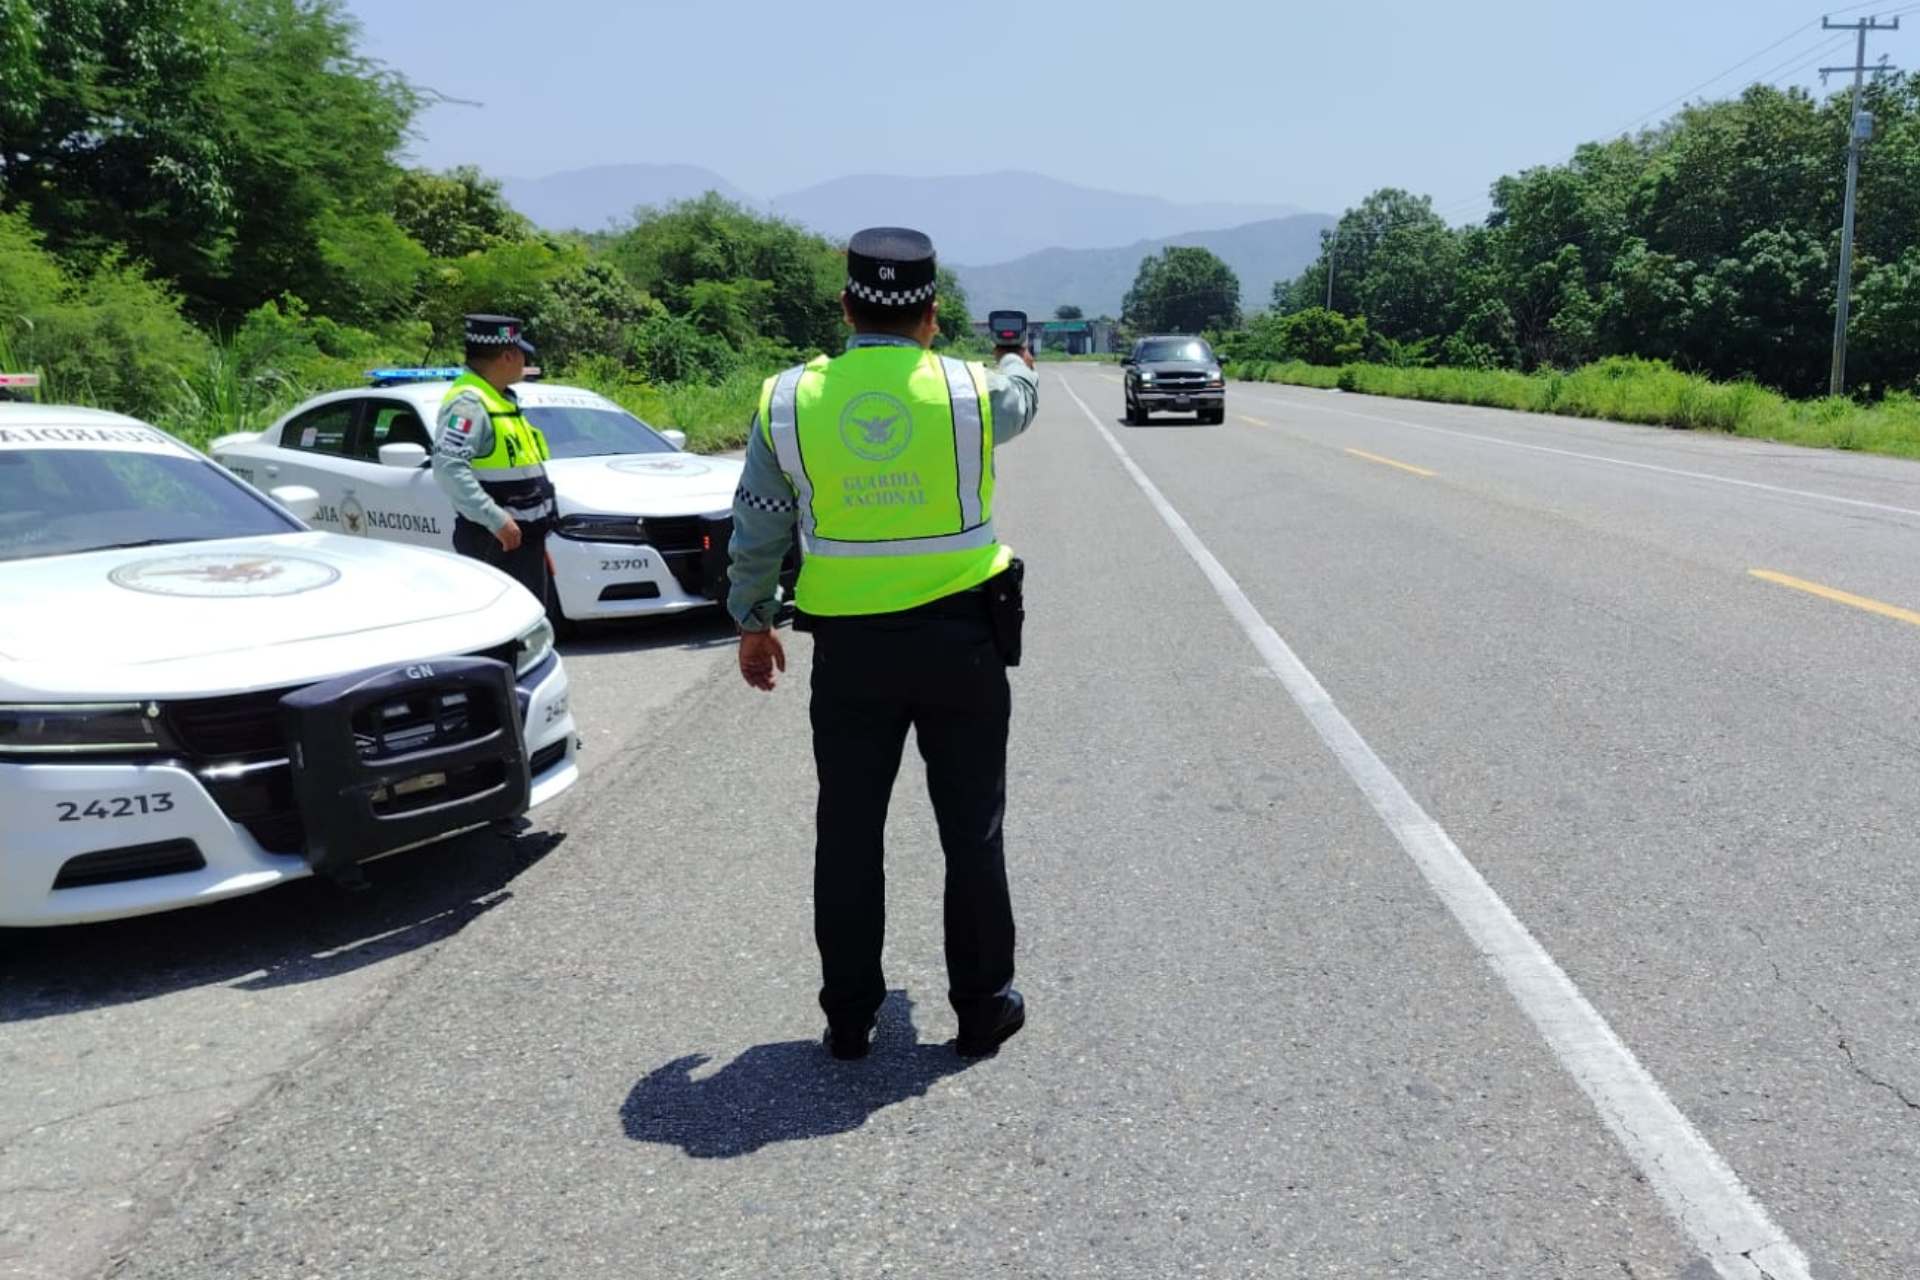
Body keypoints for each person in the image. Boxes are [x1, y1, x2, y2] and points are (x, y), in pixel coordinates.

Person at [726, 226, 1040, 1062]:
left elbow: (758, 523)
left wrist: (753, 619)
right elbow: (1021, 397)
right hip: (963, 644)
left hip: (851, 657)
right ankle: (982, 1007)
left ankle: (850, 1016)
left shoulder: (789, 401)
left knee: (849, 832)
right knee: (972, 831)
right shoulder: (971, 392)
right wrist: (1016, 359)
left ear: (846, 307)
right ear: (932, 315)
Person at [432, 314, 556, 603]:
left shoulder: (500, 399)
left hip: (520, 542)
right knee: (506, 624)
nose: (525, 361)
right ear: (508, 356)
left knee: (530, 622)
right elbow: (448, 468)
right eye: (522, 354)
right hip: (494, 541)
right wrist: (496, 519)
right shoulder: (469, 403)